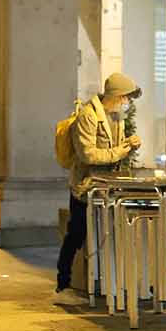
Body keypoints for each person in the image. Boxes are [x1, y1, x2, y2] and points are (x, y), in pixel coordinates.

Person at [55, 72, 142, 296]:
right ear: (115, 95)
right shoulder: (88, 115)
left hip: (108, 187)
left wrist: (128, 145)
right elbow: (88, 155)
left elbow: (113, 150)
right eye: (125, 97)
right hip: (86, 186)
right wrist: (120, 151)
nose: (127, 102)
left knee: (106, 234)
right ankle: (63, 283)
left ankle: (104, 284)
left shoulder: (116, 117)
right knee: (76, 233)